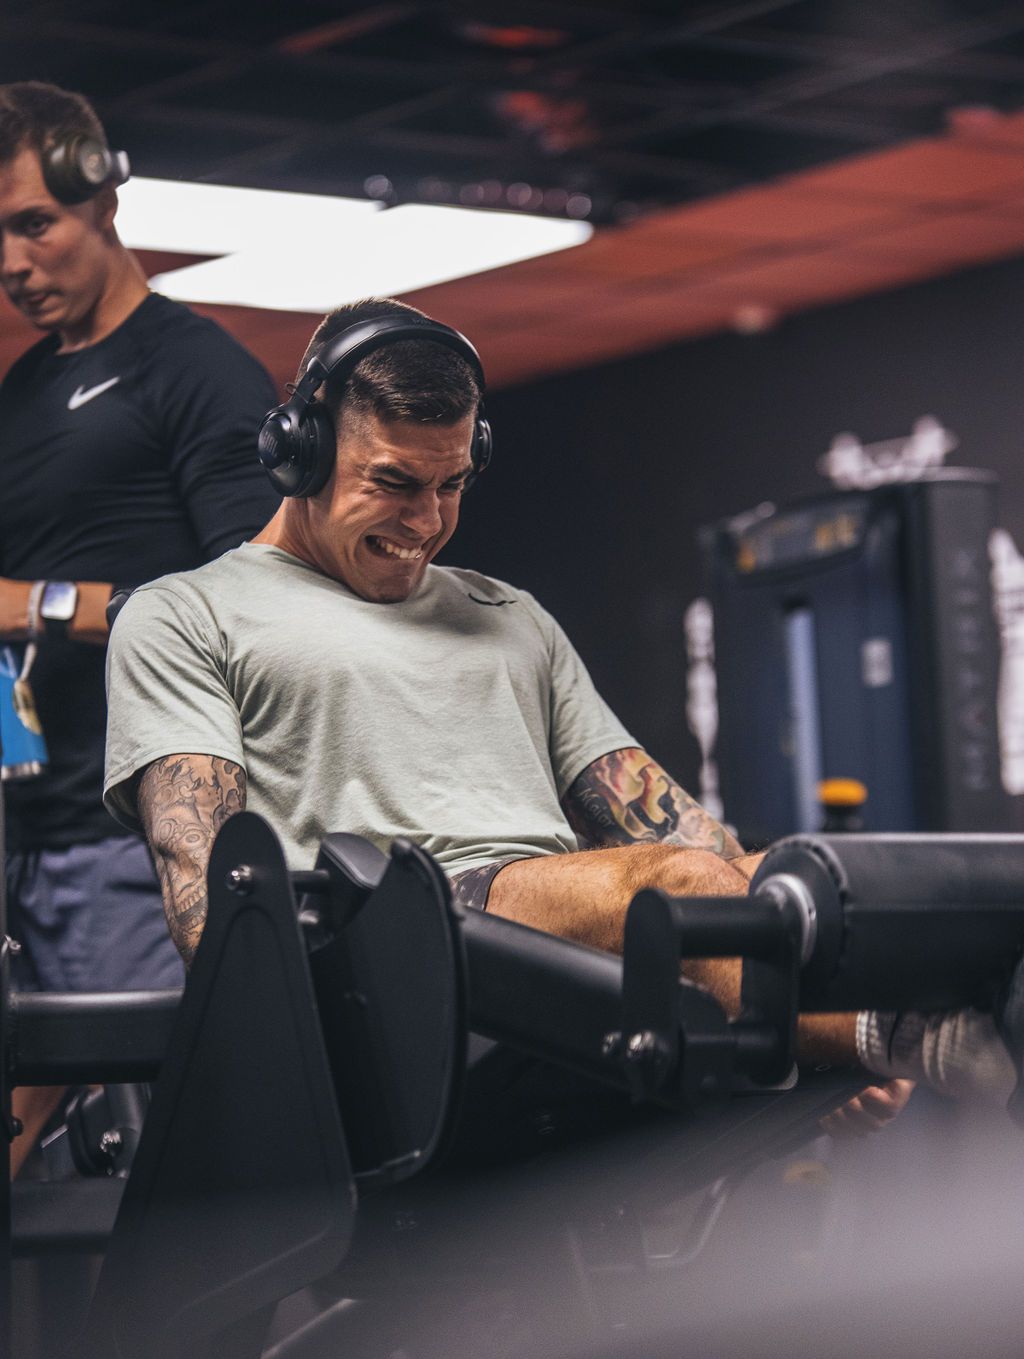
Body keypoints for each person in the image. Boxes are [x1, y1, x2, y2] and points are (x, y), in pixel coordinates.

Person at [103, 297, 1019, 1126]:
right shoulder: (184, 614)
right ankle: (942, 1039)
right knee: (677, 890)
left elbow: (676, 826)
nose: (425, 519)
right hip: (386, 958)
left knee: (772, 875)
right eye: (392, 482)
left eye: (451, 483)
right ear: (297, 449)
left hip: (557, 966)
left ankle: (905, 1027)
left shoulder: (506, 614)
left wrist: (802, 1007)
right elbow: (214, 916)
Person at [0, 81, 279, 1173]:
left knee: (139, 1183)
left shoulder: (194, 371)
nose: (16, 263)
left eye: (35, 224)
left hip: (136, 843)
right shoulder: (22, 396)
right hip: (30, 844)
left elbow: (254, 610)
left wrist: (41, 604)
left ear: (105, 204)